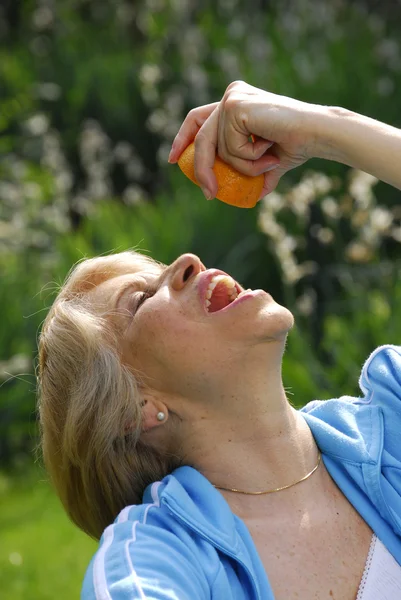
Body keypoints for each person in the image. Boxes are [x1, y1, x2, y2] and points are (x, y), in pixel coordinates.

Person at [37, 81, 401, 600]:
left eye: (163, 267)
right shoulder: (155, 562)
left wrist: (324, 127)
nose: (188, 262)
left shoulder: (392, 425)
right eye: (139, 301)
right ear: (135, 407)